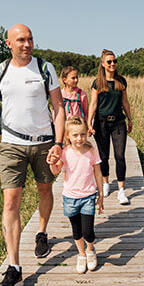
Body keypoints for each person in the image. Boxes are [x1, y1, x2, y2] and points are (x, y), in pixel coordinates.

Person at [0, 24, 65, 286]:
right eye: (20, 40)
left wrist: (59, 143)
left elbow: (59, 107)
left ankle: (42, 233)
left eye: (30, 39)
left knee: (44, 189)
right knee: (10, 201)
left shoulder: (45, 68)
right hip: (11, 144)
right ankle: (14, 267)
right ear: (9, 43)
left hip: (44, 144)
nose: (26, 44)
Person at [49, 115, 104, 273]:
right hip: (70, 197)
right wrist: (52, 163)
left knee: (88, 230)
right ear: (68, 136)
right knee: (76, 230)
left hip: (88, 196)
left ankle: (90, 250)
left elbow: (98, 174)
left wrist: (101, 195)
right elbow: (56, 171)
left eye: (82, 134)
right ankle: (81, 254)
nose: (79, 138)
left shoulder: (92, 151)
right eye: (75, 135)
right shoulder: (65, 152)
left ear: (87, 133)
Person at [87, 49, 133, 205]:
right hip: (101, 123)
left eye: (114, 61)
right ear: (103, 64)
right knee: (104, 155)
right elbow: (93, 104)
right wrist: (88, 122)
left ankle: (121, 190)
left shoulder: (121, 81)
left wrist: (130, 119)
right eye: (109, 62)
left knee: (120, 156)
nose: (113, 64)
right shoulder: (97, 83)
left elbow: (125, 102)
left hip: (118, 122)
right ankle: (106, 183)